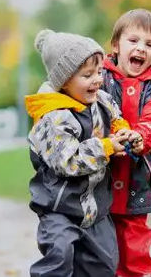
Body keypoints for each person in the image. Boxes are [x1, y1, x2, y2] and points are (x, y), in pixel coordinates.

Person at [25, 29, 142, 277]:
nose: (97, 80)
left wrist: (123, 131)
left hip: (96, 211)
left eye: (99, 72)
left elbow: (115, 114)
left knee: (104, 266)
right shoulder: (53, 117)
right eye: (87, 75)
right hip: (59, 212)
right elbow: (68, 161)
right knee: (59, 260)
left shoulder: (100, 100)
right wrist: (108, 146)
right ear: (64, 80)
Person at [101, 9, 151, 277]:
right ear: (116, 45)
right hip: (98, 185)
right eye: (134, 41)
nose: (141, 48)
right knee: (98, 253)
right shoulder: (99, 79)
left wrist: (141, 135)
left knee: (134, 253)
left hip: (135, 187)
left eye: (150, 44)